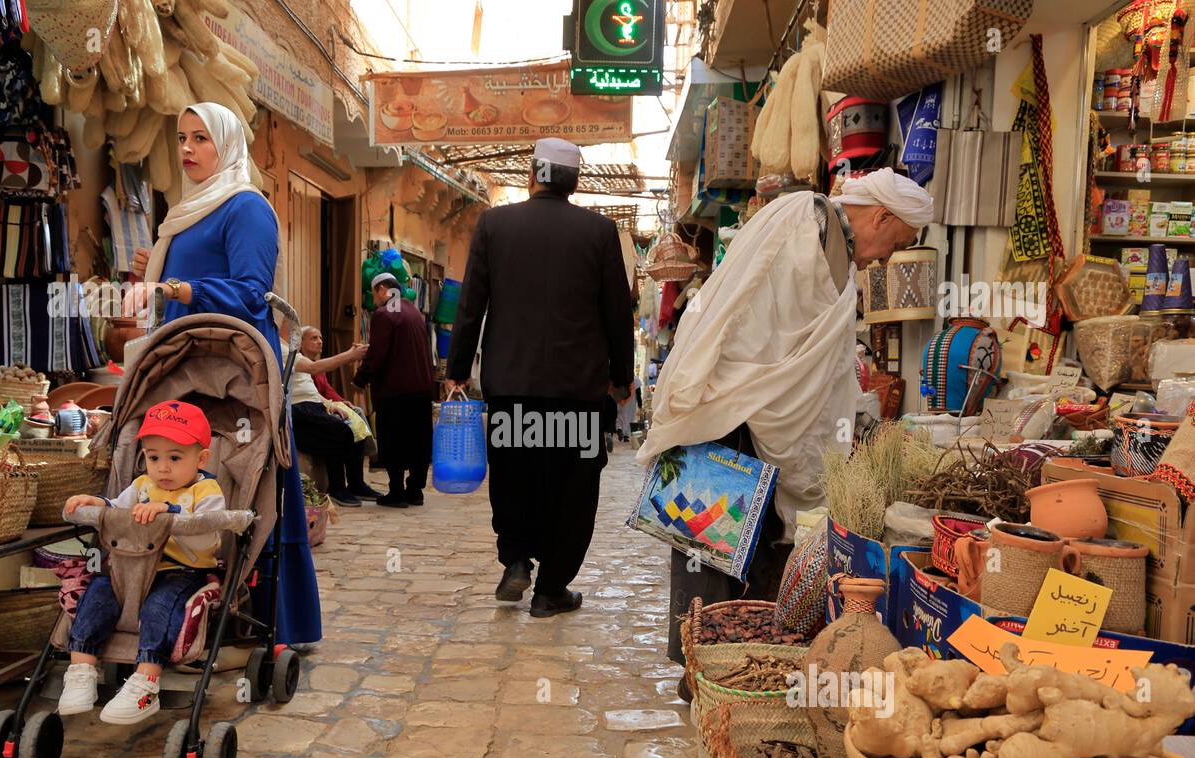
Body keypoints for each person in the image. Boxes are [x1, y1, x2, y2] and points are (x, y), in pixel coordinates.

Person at [636, 167, 933, 691]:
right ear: (882, 215)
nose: (885, 257)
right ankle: (701, 670)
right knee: (711, 543)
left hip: (753, 416)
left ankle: (734, 667)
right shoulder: (807, 224)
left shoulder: (829, 238)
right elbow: (767, 342)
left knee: (757, 544)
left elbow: (810, 356)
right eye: (895, 242)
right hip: (729, 411)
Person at [123, 101, 321, 647]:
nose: (186, 149)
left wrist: (176, 287)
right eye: (182, 138)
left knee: (251, 485)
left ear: (228, 145)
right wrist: (158, 272)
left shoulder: (245, 207)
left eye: (201, 139)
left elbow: (251, 292)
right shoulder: (185, 213)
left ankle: (271, 622)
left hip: (237, 375)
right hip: (186, 371)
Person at [447, 137, 634, 618]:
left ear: (533, 175)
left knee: (515, 477)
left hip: (511, 388)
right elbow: (617, 312)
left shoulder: (494, 225)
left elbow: (471, 305)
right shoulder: (599, 232)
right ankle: (552, 589)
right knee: (573, 488)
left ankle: (515, 560)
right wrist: (622, 376)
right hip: (578, 394)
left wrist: (456, 372)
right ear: (574, 183)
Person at [59, 401, 224, 723]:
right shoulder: (142, 487)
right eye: (153, 457)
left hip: (180, 571)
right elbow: (118, 509)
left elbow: (209, 531)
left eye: (175, 458)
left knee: (159, 609)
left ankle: (145, 682)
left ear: (201, 458)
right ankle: (81, 670)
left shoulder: (206, 491)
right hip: (130, 570)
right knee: (98, 594)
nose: (163, 468)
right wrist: (98, 503)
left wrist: (170, 513)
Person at [353, 273, 434, 508]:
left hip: (395, 389)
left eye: (374, 293)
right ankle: (415, 491)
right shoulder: (413, 312)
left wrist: (360, 379)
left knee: (394, 440)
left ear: (382, 289)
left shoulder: (384, 314)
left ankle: (397, 492)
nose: (374, 299)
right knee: (418, 441)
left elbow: (378, 355)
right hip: (421, 388)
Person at [286, 326, 374, 507]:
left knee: (355, 424)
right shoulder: (283, 351)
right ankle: (337, 488)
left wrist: (332, 403)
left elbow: (318, 391)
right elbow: (313, 370)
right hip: (299, 409)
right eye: (313, 338)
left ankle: (356, 483)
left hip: (315, 405)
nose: (319, 342)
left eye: (321, 338)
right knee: (341, 431)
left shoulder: (293, 352)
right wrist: (349, 355)